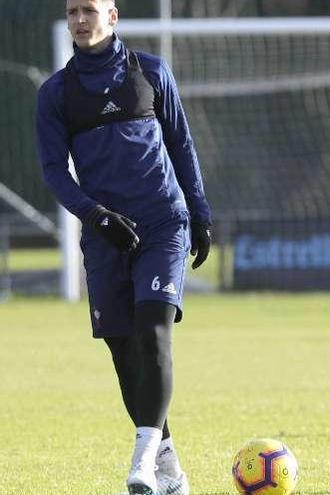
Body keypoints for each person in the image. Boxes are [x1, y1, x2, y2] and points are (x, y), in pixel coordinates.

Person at [36, 1, 212, 494]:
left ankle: (141, 463)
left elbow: (181, 144)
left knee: (153, 332)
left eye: (89, 10)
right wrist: (96, 216)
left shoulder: (151, 72)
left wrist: (199, 213)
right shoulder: (56, 94)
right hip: (104, 234)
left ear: (112, 17)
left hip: (161, 223)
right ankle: (171, 469)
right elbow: (53, 172)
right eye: (72, 11)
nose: (79, 20)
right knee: (124, 352)